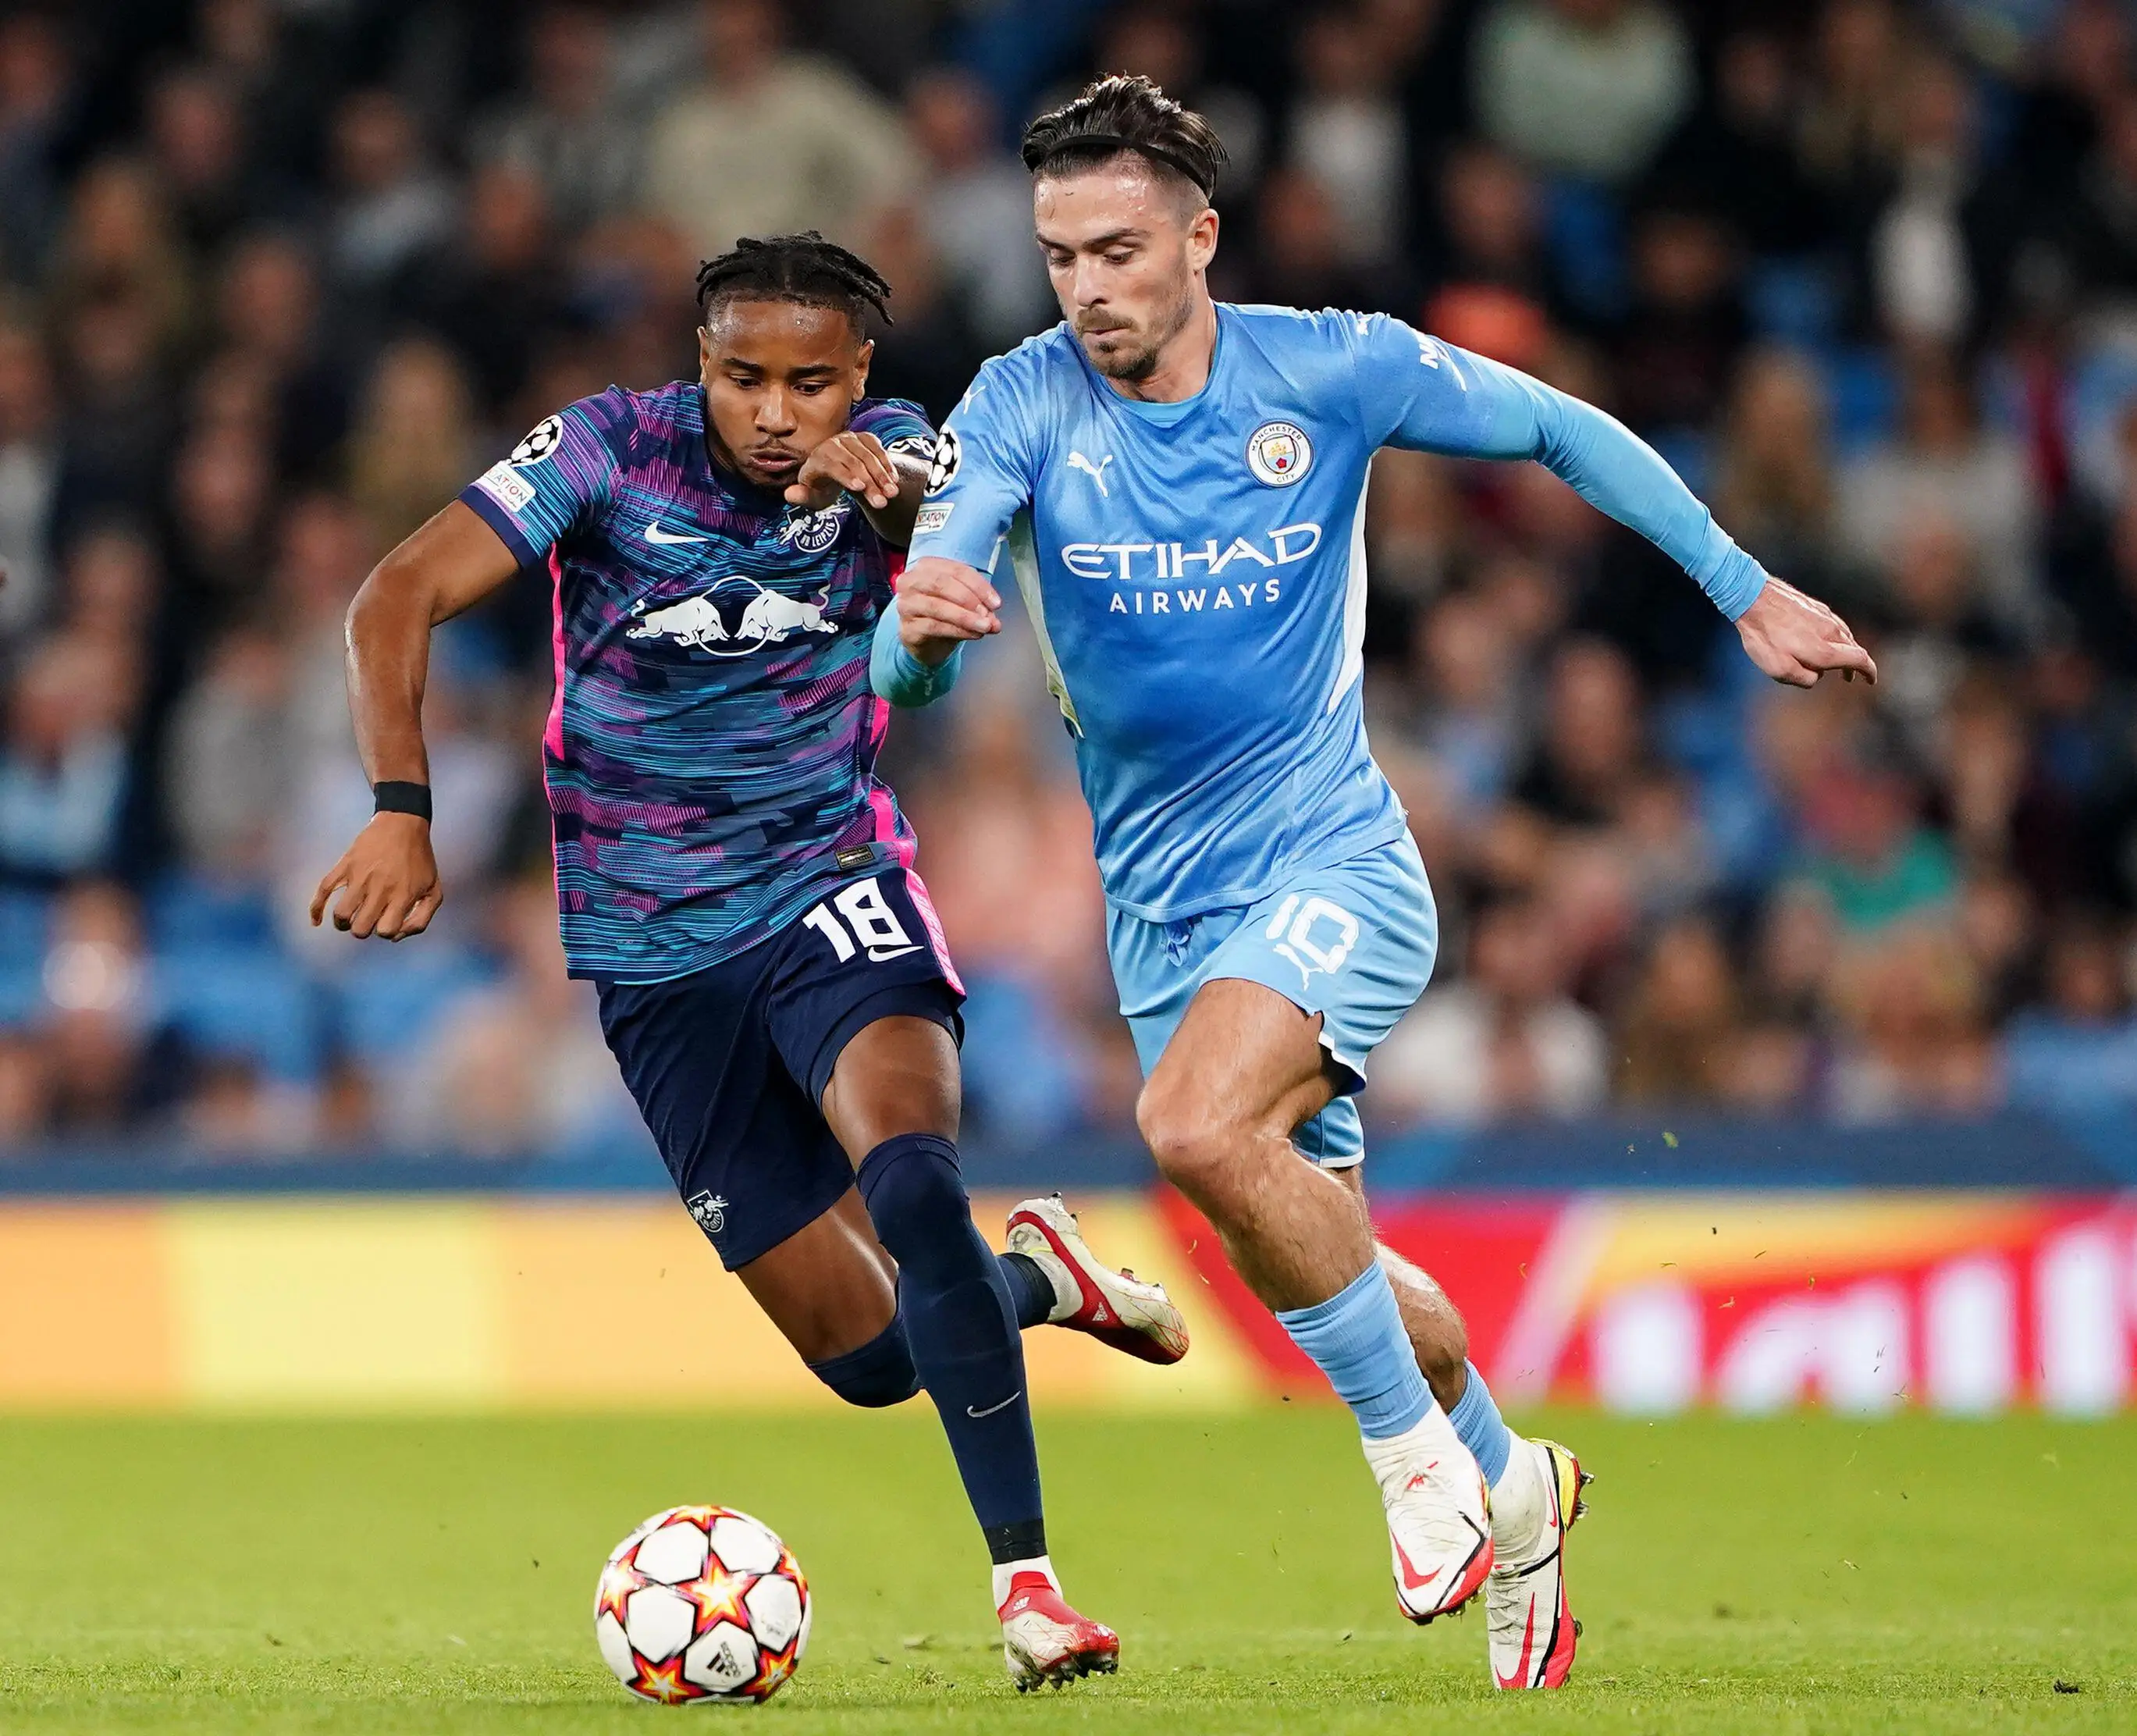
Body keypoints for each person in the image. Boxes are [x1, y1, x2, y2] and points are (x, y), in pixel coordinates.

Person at [876, 76, 1876, 1691]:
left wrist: (1743, 588)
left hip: (1336, 854)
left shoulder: (1326, 365)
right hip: (1166, 907)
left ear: (1199, 238)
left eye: (1119, 250)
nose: (1088, 287)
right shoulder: (1018, 400)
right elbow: (923, 621)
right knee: (1326, 1249)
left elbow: (1554, 423)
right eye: (1061, 255)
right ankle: (1511, 1478)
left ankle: (1413, 1468)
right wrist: (916, 632)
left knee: (1191, 1127)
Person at [308, 233, 1189, 1692]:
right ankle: (1038, 1282)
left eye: (809, 384)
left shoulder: (903, 448)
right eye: (742, 378)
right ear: (699, 367)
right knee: (869, 1361)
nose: (775, 413)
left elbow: (931, 507)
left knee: (911, 1176)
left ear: (858, 378)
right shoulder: (607, 451)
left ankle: (1030, 1589)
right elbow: (392, 594)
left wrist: (894, 494)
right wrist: (400, 813)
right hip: (650, 958)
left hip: (827, 882)